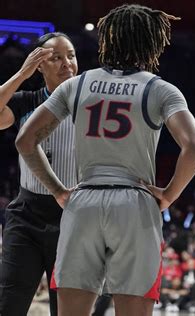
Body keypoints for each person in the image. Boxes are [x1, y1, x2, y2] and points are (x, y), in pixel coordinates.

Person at [15, 4, 195, 316]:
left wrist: (59, 190)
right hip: (135, 204)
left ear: (108, 41)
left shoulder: (77, 84)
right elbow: (194, 148)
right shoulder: (160, 89)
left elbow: (25, 140)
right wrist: (169, 195)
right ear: (150, 41)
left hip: (83, 201)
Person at [0, 32, 78, 316]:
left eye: (70, 55)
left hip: (73, 216)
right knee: (9, 304)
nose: (66, 63)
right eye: (55, 58)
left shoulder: (91, 107)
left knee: (67, 310)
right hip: (27, 214)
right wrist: (22, 74)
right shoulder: (27, 101)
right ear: (39, 65)